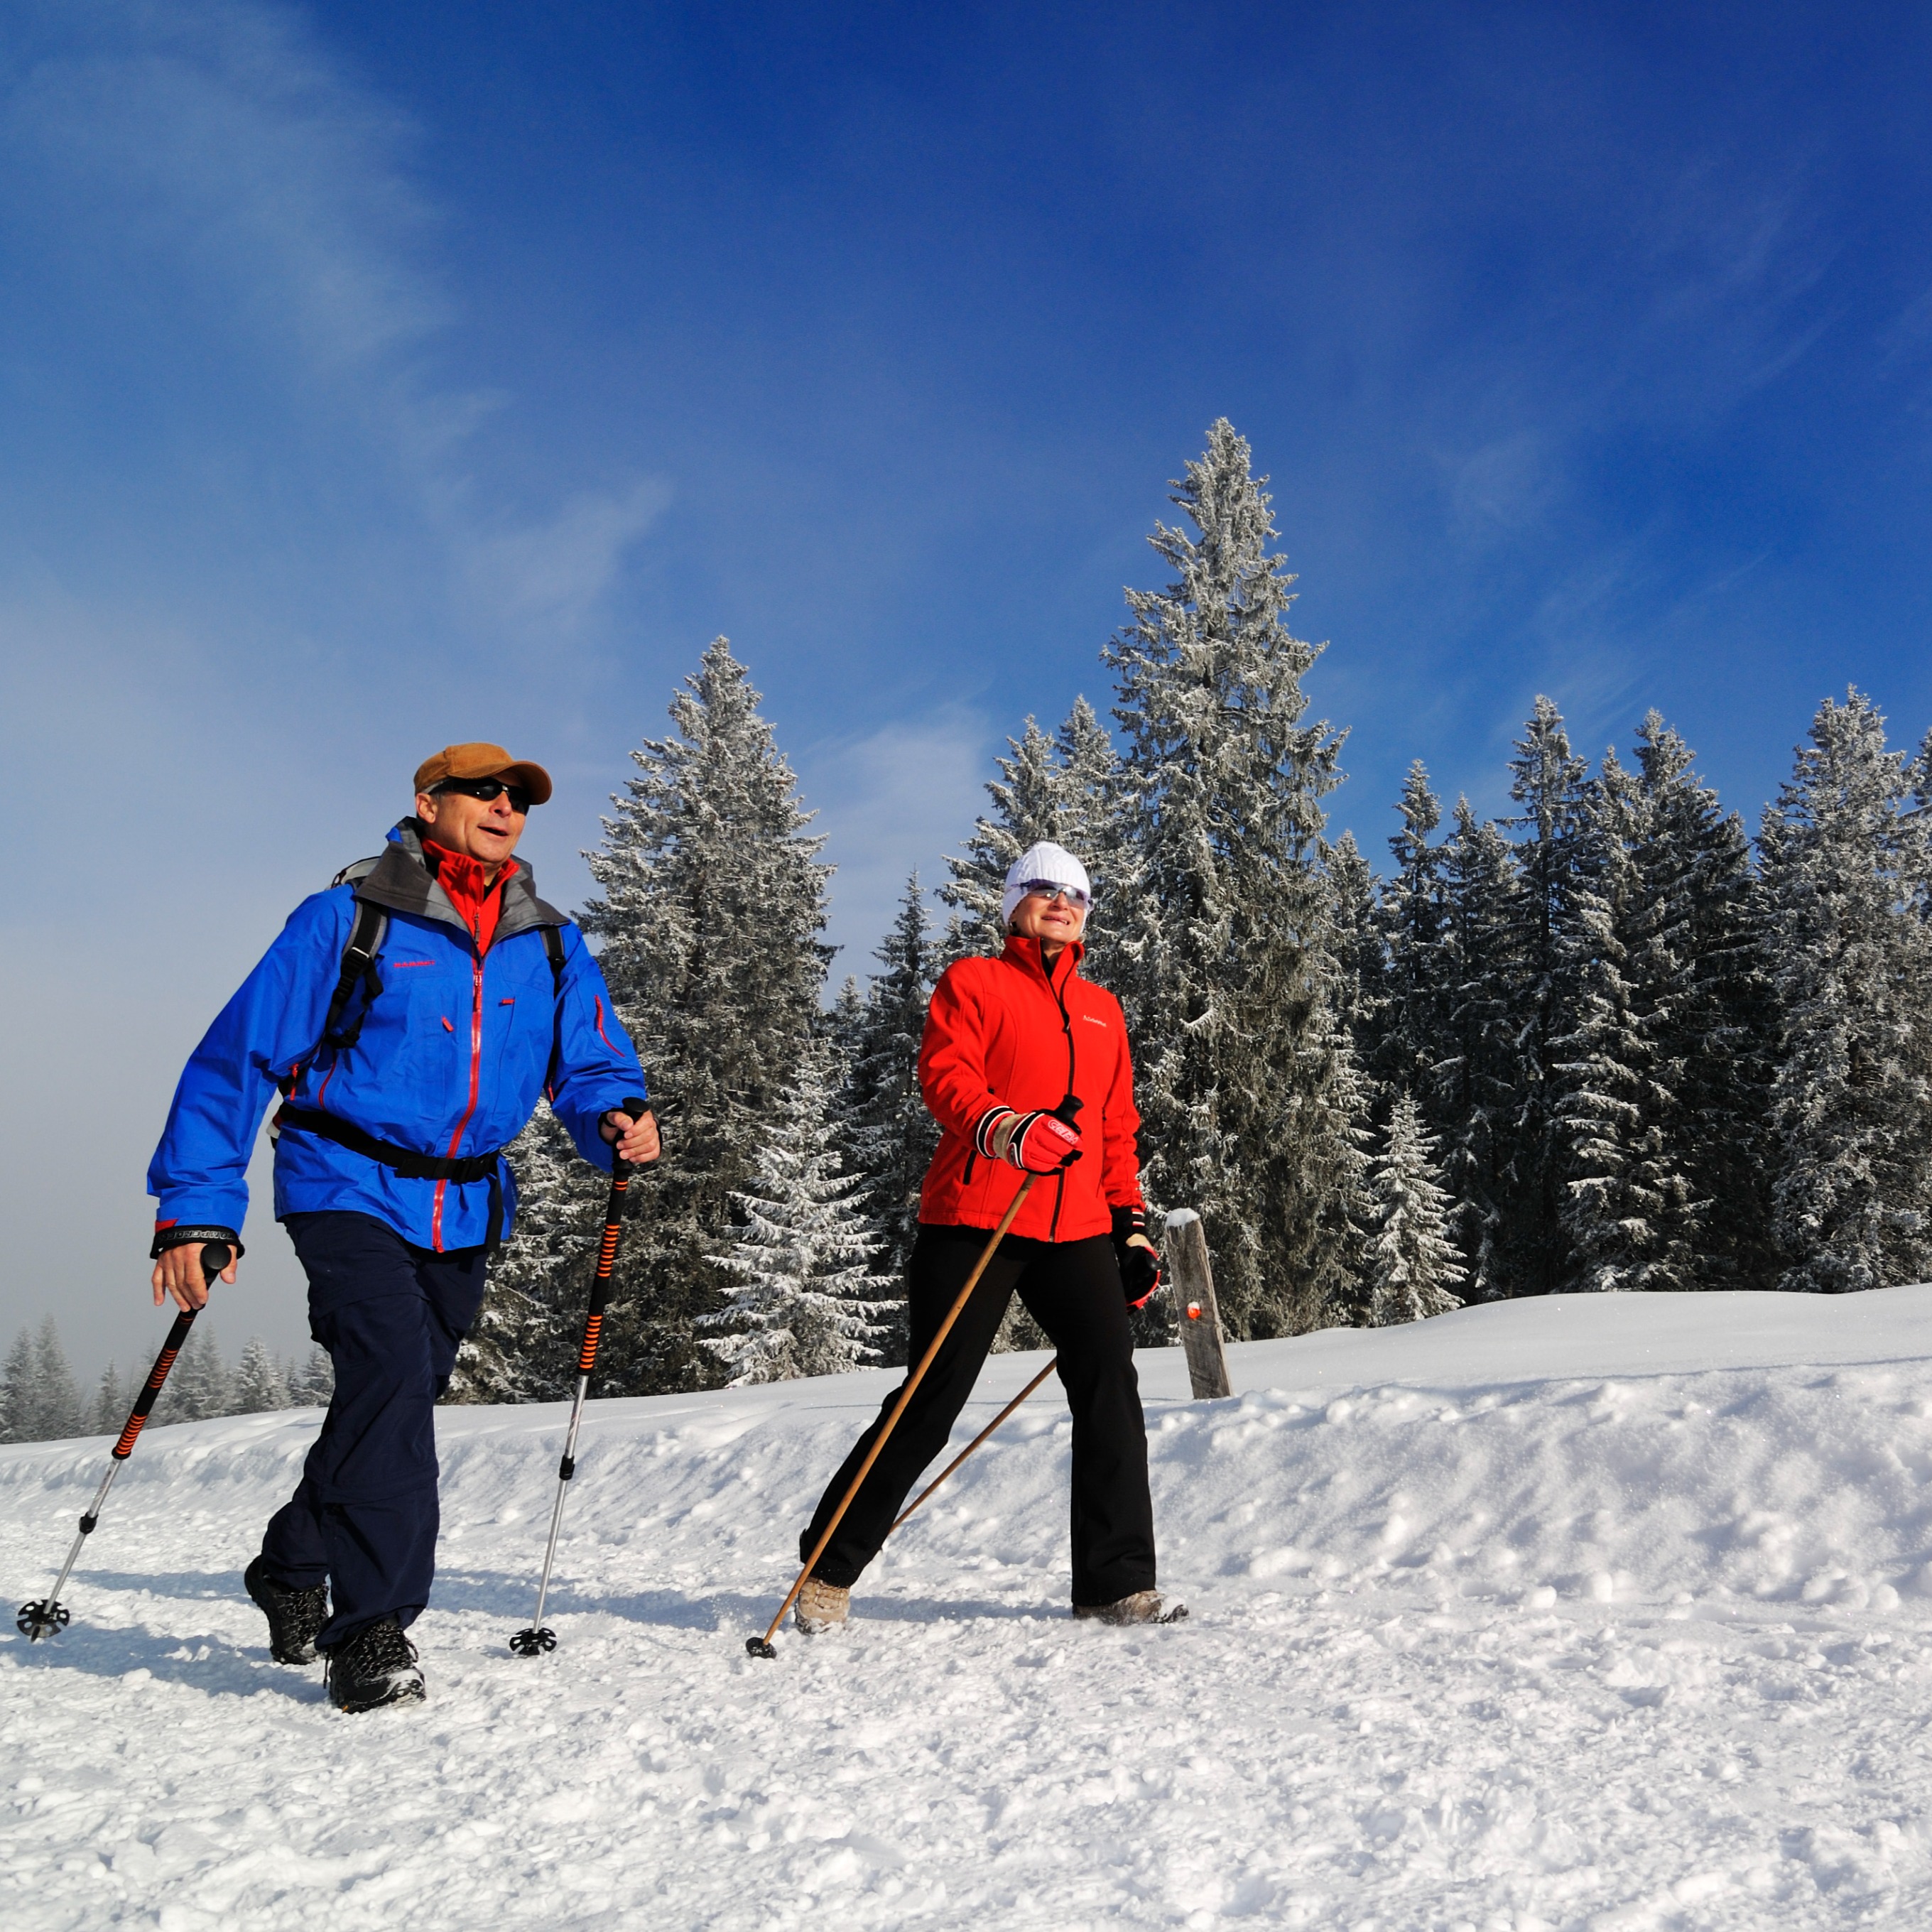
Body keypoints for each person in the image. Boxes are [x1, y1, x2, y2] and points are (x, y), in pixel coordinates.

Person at [147, 743, 659, 1713]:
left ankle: (291, 1564)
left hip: (466, 1199)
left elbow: (588, 1060)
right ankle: (372, 1629)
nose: (508, 806)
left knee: (395, 1399)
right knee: (386, 1374)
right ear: (428, 803)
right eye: (486, 791)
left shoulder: (549, 941)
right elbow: (235, 1059)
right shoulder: (348, 921)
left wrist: (614, 1114)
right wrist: (198, 1207)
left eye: (522, 798)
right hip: (343, 1177)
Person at [792, 840, 1180, 1632]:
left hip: (1073, 1227)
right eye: (1042, 890)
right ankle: (827, 1566)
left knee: (1110, 1387)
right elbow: (946, 1076)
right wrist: (1008, 1130)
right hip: (976, 1216)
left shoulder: (1103, 1009)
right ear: (1012, 905)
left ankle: (1113, 1581)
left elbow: (1115, 1128)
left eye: (1075, 893)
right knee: (933, 1397)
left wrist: (1129, 1229)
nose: (1060, 902)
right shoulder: (974, 982)